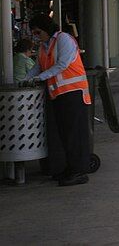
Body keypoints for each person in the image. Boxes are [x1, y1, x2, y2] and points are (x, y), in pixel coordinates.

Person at [25, 14, 91, 187]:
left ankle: (79, 171)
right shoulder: (43, 47)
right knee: (64, 134)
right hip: (58, 95)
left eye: (38, 32)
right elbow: (38, 66)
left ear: (45, 28)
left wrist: (41, 78)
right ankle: (69, 168)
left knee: (74, 134)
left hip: (73, 93)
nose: (37, 36)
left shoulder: (63, 40)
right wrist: (26, 79)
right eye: (34, 34)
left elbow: (62, 64)